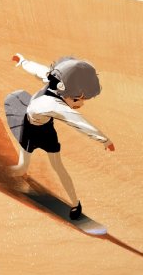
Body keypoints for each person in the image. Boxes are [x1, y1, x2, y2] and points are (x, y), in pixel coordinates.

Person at [10, 54, 115, 220]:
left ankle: (75, 204)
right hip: (29, 130)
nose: (80, 104)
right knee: (21, 168)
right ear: (75, 93)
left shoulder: (55, 81)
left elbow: (37, 69)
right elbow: (79, 122)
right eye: (79, 100)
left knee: (58, 166)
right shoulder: (54, 105)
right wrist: (105, 140)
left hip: (46, 130)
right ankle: (0, 172)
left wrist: (22, 61)